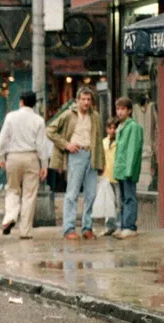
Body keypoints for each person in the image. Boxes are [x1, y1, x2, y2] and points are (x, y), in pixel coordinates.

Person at [47, 88, 105, 240]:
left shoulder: (96, 117)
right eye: (83, 99)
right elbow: (50, 130)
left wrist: (101, 162)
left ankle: (87, 227)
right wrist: (66, 145)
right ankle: (69, 228)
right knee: (72, 193)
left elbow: (99, 140)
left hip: (92, 155)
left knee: (91, 193)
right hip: (76, 154)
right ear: (78, 100)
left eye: (89, 99)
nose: (86, 102)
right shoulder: (69, 115)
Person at [0, 91, 48, 240]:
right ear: (34, 103)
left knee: (13, 190)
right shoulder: (38, 120)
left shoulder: (11, 117)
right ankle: (25, 231)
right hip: (31, 157)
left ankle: (10, 217)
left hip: (13, 156)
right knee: (29, 195)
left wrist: (1, 157)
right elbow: (41, 145)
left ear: (21, 101)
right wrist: (44, 164)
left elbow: (2, 139)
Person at [112, 96, 145, 240]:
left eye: (122, 109)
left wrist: (129, 169)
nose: (119, 112)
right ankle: (124, 225)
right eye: (118, 109)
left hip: (127, 168)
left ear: (129, 110)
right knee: (123, 198)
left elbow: (133, 149)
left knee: (129, 197)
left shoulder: (133, 127)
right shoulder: (121, 126)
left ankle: (130, 226)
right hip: (120, 168)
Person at [100, 118, 121, 236]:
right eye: (110, 128)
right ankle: (109, 226)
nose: (112, 131)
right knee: (108, 203)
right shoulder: (103, 142)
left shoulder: (120, 142)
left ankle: (118, 225)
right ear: (106, 129)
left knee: (119, 203)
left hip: (117, 176)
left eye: (115, 128)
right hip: (106, 176)